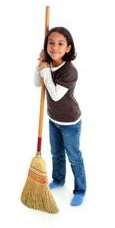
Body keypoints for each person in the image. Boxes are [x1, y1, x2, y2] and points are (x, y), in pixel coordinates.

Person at [34, 27, 86, 206]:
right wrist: (40, 64)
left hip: (70, 121)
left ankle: (80, 190)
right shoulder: (48, 65)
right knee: (56, 153)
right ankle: (58, 179)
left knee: (74, 156)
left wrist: (45, 71)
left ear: (68, 48)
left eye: (60, 43)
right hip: (53, 119)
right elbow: (36, 83)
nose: (54, 47)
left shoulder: (70, 71)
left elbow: (55, 94)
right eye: (51, 43)